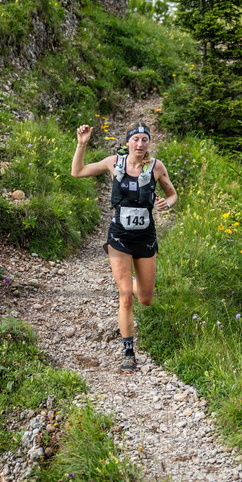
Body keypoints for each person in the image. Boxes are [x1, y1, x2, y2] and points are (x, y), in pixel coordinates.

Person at [71, 121, 178, 373]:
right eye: (136, 139)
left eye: (144, 139)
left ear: (149, 143)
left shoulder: (156, 167)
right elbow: (78, 172)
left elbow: (172, 194)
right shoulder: (114, 163)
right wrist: (81, 144)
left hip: (145, 238)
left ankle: (129, 280)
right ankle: (129, 353)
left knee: (145, 299)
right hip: (119, 237)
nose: (140, 144)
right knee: (126, 297)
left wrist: (168, 203)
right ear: (128, 141)